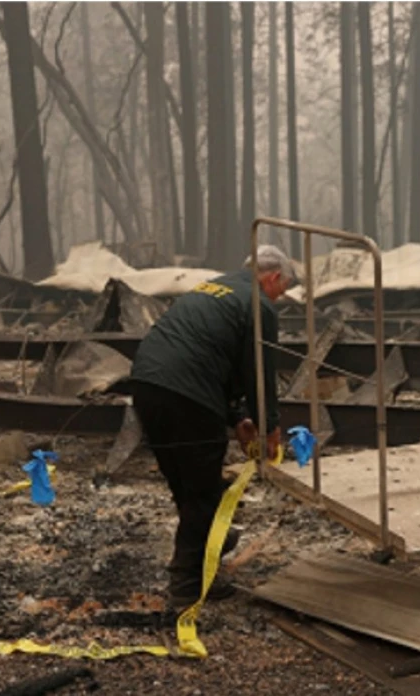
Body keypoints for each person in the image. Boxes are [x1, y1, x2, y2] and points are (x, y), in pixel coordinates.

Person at [130, 245, 296, 609]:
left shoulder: (214, 288)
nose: (278, 300)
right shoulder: (259, 305)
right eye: (280, 291)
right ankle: (188, 587)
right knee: (204, 491)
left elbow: (212, 356)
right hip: (189, 394)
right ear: (273, 278)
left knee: (185, 482)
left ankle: (208, 549)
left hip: (146, 383)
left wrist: (238, 419)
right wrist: (270, 427)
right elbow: (258, 372)